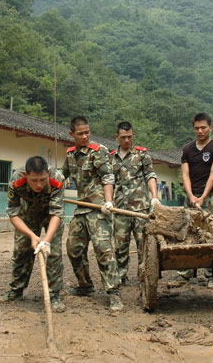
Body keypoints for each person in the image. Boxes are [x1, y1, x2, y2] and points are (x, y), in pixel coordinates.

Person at [61, 116, 124, 311]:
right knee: (73, 248)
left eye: (87, 132)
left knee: (103, 250)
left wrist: (108, 201)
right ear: (72, 134)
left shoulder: (99, 151)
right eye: (80, 134)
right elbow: (61, 176)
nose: (85, 136)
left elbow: (107, 176)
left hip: (98, 208)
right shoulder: (71, 155)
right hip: (81, 208)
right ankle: (85, 285)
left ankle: (114, 293)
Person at [0, 156, 66, 312]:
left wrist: (46, 241)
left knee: (54, 253)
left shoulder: (57, 178)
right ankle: (15, 291)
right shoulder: (16, 180)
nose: (38, 184)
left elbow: (57, 214)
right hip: (28, 214)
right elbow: (13, 213)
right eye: (33, 180)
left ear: (48, 173)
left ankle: (54, 296)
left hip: (51, 216)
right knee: (21, 250)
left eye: (42, 179)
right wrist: (32, 236)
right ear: (25, 175)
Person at [172, 113, 213, 287]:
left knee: (210, 233)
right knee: (187, 233)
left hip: (210, 197)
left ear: (210, 128)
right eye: (197, 128)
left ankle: (211, 275)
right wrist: (190, 196)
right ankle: (185, 273)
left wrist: (202, 197)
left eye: (203, 127)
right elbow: (185, 175)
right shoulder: (187, 149)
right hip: (191, 197)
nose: (200, 131)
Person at [110, 122, 159, 285]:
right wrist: (108, 201)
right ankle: (121, 276)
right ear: (117, 137)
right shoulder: (111, 158)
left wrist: (154, 197)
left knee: (143, 244)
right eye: (123, 137)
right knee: (120, 246)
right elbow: (107, 181)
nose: (126, 140)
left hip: (140, 209)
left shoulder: (142, 155)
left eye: (129, 137)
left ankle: (144, 275)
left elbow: (150, 175)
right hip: (120, 209)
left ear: (133, 135)